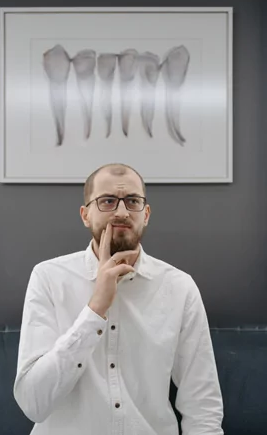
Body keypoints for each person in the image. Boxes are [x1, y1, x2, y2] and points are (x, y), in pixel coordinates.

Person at [14, 163, 224, 435]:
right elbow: (33, 403)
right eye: (108, 201)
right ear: (85, 215)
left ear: (146, 214)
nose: (122, 212)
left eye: (133, 201)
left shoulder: (179, 287)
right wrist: (95, 308)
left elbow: (202, 405)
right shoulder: (48, 278)